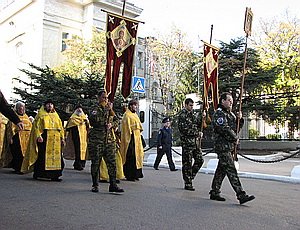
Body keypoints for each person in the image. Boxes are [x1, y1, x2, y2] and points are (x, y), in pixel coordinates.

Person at [209, 92, 255, 204]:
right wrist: (235, 138)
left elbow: (235, 128)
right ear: (222, 101)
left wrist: (240, 119)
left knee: (222, 170)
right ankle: (241, 195)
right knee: (231, 169)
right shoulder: (219, 114)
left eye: (232, 100)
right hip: (222, 147)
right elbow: (224, 128)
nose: (231, 102)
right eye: (229, 100)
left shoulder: (230, 114)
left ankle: (214, 191)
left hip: (228, 146)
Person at [88, 91, 124, 193]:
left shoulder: (109, 109)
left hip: (109, 140)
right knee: (96, 163)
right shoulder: (95, 109)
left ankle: (113, 185)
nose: (105, 100)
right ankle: (95, 185)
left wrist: (112, 124)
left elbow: (116, 119)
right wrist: (105, 111)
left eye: (106, 98)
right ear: (98, 98)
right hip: (97, 140)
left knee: (112, 163)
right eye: (103, 97)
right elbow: (95, 121)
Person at [21, 99, 65, 181]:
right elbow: (36, 127)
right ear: (45, 106)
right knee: (42, 156)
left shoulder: (56, 116)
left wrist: (62, 138)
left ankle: (55, 175)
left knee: (56, 158)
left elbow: (61, 128)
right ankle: (39, 174)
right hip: (45, 138)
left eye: (51, 104)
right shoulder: (40, 115)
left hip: (56, 140)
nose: (50, 106)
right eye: (48, 104)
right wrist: (38, 136)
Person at [178, 98, 204, 191]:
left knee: (200, 160)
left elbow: (198, 123)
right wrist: (197, 133)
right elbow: (184, 130)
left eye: (192, 106)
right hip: (187, 143)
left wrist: (202, 115)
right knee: (187, 163)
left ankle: (190, 176)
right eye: (190, 105)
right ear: (185, 105)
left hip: (195, 143)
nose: (192, 107)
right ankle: (188, 182)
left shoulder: (192, 114)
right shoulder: (182, 115)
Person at [120, 99, 144, 181]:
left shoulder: (135, 115)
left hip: (137, 138)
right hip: (130, 139)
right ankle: (130, 175)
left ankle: (136, 174)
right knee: (131, 156)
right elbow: (126, 128)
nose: (136, 107)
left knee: (138, 156)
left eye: (136, 105)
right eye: (134, 105)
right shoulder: (127, 115)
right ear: (130, 106)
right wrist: (129, 139)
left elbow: (140, 127)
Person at [6, 102, 32, 174]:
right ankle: (18, 168)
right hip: (17, 138)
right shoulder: (14, 117)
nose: (22, 110)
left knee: (25, 153)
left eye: (23, 108)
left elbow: (31, 127)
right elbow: (10, 129)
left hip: (26, 138)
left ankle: (24, 168)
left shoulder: (26, 117)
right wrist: (10, 138)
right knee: (18, 154)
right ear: (17, 109)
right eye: (20, 108)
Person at [64, 105, 89, 171]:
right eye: (78, 109)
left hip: (84, 138)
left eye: (80, 110)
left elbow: (89, 126)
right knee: (77, 151)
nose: (79, 111)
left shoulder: (84, 118)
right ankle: (77, 164)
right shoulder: (73, 118)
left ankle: (82, 163)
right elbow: (68, 127)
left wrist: (86, 121)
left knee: (84, 151)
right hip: (76, 137)